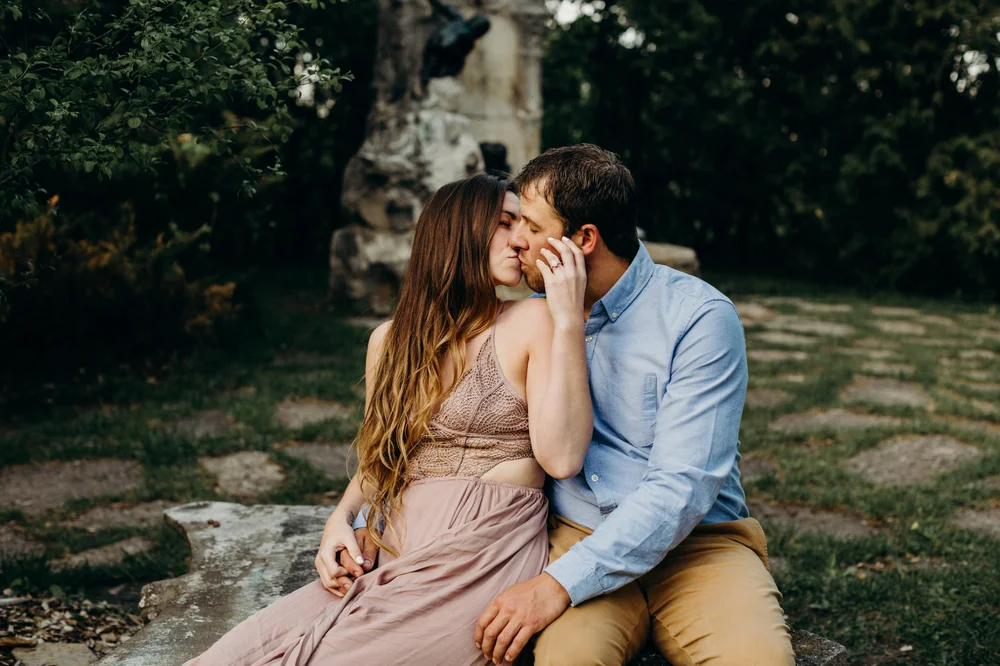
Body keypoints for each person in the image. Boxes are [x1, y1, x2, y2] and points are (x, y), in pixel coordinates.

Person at [348, 145, 795, 666]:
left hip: (698, 545)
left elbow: (684, 485)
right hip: (575, 534)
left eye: (532, 228)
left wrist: (555, 586)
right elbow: (426, 433)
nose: (517, 240)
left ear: (584, 239)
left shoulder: (698, 317)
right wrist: (358, 520)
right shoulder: (528, 321)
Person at [182, 173, 594, 666]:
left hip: (481, 552)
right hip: (396, 541)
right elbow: (382, 459)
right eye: (506, 223)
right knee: (233, 656)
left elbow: (564, 456)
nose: (522, 239)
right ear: (458, 234)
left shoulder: (535, 321)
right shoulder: (389, 342)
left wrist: (568, 320)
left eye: (524, 225)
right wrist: (339, 520)